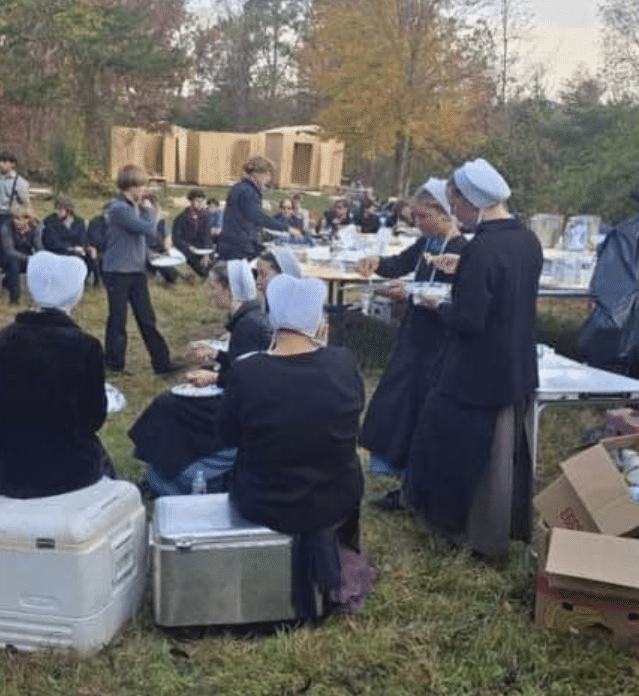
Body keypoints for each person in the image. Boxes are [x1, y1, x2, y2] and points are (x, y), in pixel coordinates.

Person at [403, 159, 541, 561]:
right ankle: (498, 526)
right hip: (515, 361)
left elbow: (470, 318)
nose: (454, 212)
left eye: (454, 202)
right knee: (502, 452)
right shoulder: (526, 239)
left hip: (476, 369)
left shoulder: (482, 245)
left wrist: (438, 303)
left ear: (471, 201)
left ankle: (461, 527)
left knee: (451, 444)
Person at [218, 274, 374, 619]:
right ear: (317, 321)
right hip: (337, 495)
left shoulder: (247, 372)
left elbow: (227, 437)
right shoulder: (343, 362)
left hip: (265, 499)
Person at [354, 179, 469, 489]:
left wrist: (413, 295)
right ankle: (390, 461)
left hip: (438, 338)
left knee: (421, 403)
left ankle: (415, 469)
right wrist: (375, 262)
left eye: (422, 217)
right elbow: (399, 263)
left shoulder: (463, 252)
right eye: (414, 217)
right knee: (396, 398)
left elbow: (459, 297)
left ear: (445, 214)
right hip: (413, 333)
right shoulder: (427, 244)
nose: (417, 224)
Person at [132, 260, 273, 496]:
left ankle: (166, 474)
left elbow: (244, 379)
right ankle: (163, 470)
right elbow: (243, 362)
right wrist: (217, 355)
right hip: (241, 400)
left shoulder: (249, 324)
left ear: (230, 291)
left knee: (167, 406)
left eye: (213, 288)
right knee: (170, 405)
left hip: (240, 410)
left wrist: (213, 378)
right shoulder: (249, 317)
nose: (209, 294)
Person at [0, 252, 111, 498]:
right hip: (65, 471)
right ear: (76, 294)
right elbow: (93, 418)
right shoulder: (84, 346)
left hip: (10, 468)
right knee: (103, 461)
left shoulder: (1, 338)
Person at [100, 165, 180, 375]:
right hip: (117, 272)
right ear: (131, 186)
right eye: (142, 185)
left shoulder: (133, 206)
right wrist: (152, 212)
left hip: (136, 270)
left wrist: (147, 255)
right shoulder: (118, 208)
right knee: (118, 319)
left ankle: (162, 363)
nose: (145, 190)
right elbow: (147, 229)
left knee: (147, 318)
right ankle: (114, 364)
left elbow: (138, 238)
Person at [217, 155, 291, 260]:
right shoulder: (247, 191)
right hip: (239, 245)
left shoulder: (242, 188)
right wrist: (285, 227)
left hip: (235, 242)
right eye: (267, 174)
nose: (269, 179)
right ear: (256, 173)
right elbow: (256, 216)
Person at [41, 196, 99, 285]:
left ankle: (85, 280)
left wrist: (86, 247)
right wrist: (70, 248)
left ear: (68, 211)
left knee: (91, 255)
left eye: (60, 210)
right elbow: (51, 241)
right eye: (56, 209)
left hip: (78, 249)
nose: (57, 212)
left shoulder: (79, 221)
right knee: (75, 257)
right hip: (58, 250)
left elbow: (83, 238)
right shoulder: (50, 221)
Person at [0, 151, 32, 258]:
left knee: (7, 247)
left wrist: (27, 219)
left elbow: (26, 203)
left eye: (5, 162)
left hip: (10, 217)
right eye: (0, 161)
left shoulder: (19, 182)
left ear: (12, 164)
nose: (1, 164)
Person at [0, 204, 40, 304]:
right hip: (7, 256)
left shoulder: (34, 228)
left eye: (20, 219)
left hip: (26, 256)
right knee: (14, 264)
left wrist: (40, 258)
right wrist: (30, 258)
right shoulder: (6, 227)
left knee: (40, 264)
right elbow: (9, 250)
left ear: (28, 219)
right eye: (15, 218)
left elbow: (38, 246)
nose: (16, 221)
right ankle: (14, 298)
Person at [172, 189, 215, 279]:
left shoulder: (205, 216)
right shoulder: (182, 217)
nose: (199, 203)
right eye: (197, 201)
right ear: (191, 201)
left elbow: (207, 235)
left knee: (211, 263)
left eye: (201, 201)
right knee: (200, 267)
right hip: (188, 247)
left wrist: (206, 252)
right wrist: (187, 247)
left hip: (202, 248)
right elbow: (176, 237)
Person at [140, 193, 179, 286]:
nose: (144, 208)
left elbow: (168, 242)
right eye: (142, 206)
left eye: (147, 206)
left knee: (171, 275)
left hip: (159, 253)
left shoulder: (162, 223)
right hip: (144, 254)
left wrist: (168, 248)